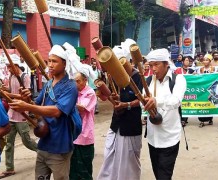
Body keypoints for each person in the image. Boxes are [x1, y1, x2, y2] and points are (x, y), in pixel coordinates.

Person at [9, 44, 78, 180]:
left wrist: (27, 107)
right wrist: (27, 99)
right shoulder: (48, 84)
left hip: (60, 146)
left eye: (54, 61)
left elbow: (57, 111)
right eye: (49, 61)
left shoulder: (71, 86)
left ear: (64, 64)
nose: (50, 65)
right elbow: (36, 105)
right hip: (43, 143)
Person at [97, 45, 143, 180]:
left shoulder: (137, 76)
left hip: (130, 126)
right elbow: (117, 97)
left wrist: (126, 104)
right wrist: (114, 98)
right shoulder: (115, 76)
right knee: (109, 156)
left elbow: (141, 100)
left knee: (128, 163)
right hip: (116, 123)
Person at [144, 49, 186, 179]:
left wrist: (156, 101)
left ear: (166, 63)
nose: (153, 69)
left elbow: (176, 100)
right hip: (152, 139)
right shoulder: (148, 81)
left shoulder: (178, 79)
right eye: (151, 65)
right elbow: (142, 103)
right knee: (158, 175)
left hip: (169, 138)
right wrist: (145, 103)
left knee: (164, 176)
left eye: (157, 65)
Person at [0, 55, 38, 178]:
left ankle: (43, 151)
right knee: (8, 142)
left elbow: (26, 97)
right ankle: (9, 168)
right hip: (11, 114)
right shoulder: (11, 76)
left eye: (10, 66)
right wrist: (6, 89)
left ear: (15, 65)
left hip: (21, 114)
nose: (9, 69)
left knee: (26, 141)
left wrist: (8, 93)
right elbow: (12, 90)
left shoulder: (24, 77)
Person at [70, 72, 97, 180]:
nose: (76, 84)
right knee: (72, 170)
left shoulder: (90, 93)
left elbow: (81, 108)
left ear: (85, 80)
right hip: (73, 135)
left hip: (85, 136)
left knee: (85, 170)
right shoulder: (73, 92)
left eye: (78, 81)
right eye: (74, 81)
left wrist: (66, 103)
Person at [196, 54, 215, 127]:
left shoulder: (213, 68)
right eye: (204, 60)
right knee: (202, 104)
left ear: (210, 61)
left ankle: (210, 119)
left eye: (207, 60)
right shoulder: (201, 69)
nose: (205, 61)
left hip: (210, 90)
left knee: (209, 104)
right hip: (203, 90)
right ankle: (202, 121)